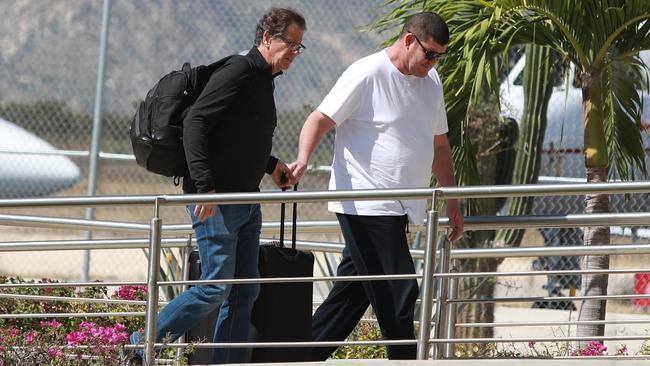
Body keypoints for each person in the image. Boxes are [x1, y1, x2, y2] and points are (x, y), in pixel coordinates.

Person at [130, 7, 306, 364]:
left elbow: (237, 137)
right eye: (291, 44)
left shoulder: (264, 79)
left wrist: (272, 166)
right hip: (216, 200)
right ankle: (140, 341)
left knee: (245, 291)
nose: (295, 53)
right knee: (215, 286)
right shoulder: (240, 70)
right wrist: (206, 188)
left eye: (300, 47)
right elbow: (196, 122)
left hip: (245, 200)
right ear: (268, 39)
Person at [288, 11, 464, 360]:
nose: (433, 63)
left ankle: (294, 358)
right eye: (429, 54)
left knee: (350, 296)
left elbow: (439, 145)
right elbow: (318, 118)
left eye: (439, 56)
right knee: (400, 291)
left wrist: (453, 202)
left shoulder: (432, 82)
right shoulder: (367, 72)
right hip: (366, 202)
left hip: (401, 206)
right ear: (409, 40)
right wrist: (304, 159)